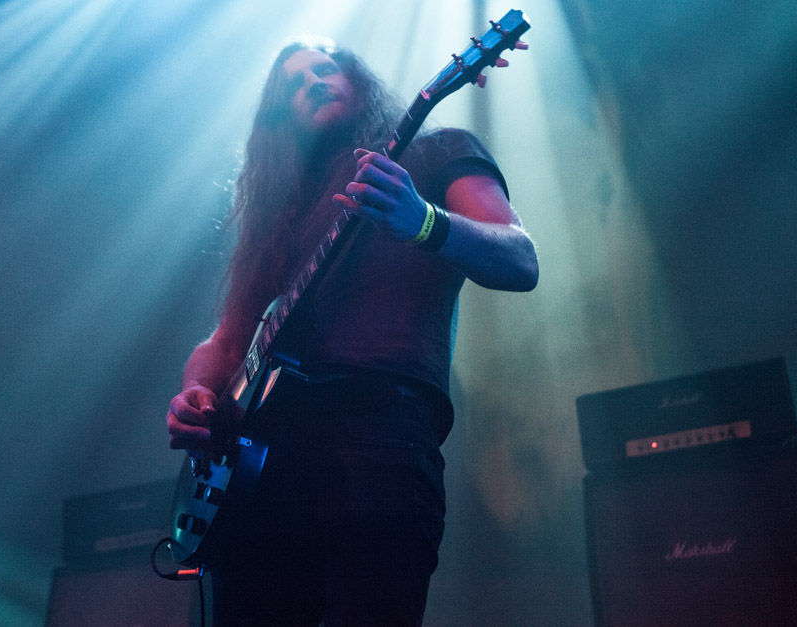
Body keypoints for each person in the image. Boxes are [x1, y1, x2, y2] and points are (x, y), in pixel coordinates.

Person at [166, 39, 538, 626]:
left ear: (359, 80)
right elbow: (228, 342)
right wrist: (197, 393)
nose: (313, 82)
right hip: (261, 464)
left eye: (325, 68)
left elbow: (520, 259)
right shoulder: (283, 213)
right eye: (294, 84)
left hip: (379, 437)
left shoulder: (437, 150)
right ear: (280, 119)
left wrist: (423, 221)